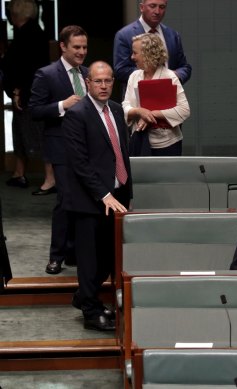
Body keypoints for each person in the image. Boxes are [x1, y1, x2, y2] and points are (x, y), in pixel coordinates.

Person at [63, 61, 132, 331]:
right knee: (90, 259)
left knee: (108, 257)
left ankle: (84, 297)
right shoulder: (77, 114)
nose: (104, 86)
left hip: (118, 196)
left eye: (108, 81)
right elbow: (79, 163)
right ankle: (91, 312)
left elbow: (120, 153)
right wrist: (103, 194)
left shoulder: (116, 110)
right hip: (90, 201)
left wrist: (124, 192)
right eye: (98, 81)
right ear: (88, 83)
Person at [29, 25, 88, 275]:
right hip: (60, 146)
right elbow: (34, 110)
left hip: (87, 148)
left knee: (84, 199)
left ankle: (74, 251)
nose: (81, 52)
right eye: (76, 47)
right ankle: (56, 256)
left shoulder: (88, 73)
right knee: (65, 200)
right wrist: (63, 105)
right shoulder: (47, 74)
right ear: (63, 47)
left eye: (85, 47)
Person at [1, 0, 51, 193]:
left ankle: (50, 178)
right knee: (21, 133)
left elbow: (25, 67)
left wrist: (17, 91)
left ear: (17, 14)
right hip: (28, 92)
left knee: (36, 135)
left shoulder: (28, 35)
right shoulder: (32, 32)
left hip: (28, 94)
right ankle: (18, 173)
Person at [122, 33, 190, 156]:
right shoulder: (134, 76)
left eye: (135, 53)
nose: (132, 57)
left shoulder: (170, 77)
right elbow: (125, 105)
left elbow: (184, 110)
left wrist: (152, 114)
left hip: (168, 144)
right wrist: (139, 111)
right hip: (140, 141)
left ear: (148, 54)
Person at [113, 0, 191, 91]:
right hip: (139, 97)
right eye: (152, 6)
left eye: (162, 7)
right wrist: (155, 76)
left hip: (170, 95)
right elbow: (121, 71)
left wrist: (176, 76)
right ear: (142, 7)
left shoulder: (173, 35)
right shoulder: (124, 35)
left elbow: (185, 67)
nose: (157, 11)